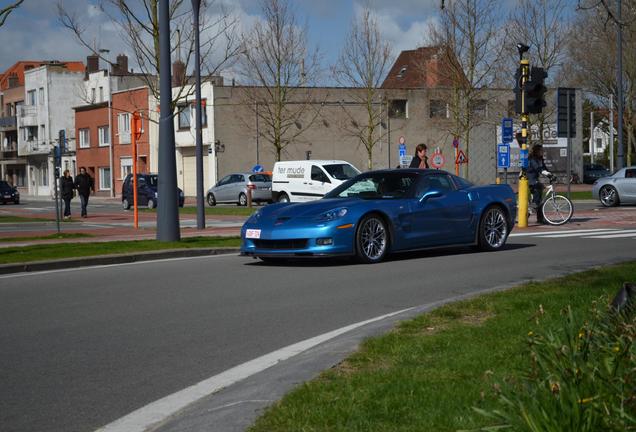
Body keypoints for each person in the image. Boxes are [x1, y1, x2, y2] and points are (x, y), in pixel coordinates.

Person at [527, 145, 553, 224]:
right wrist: (546, 173)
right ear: (536, 151)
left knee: (540, 200)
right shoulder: (532, 159)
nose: (543, 152)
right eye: (541, 150)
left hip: (535, 179)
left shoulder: (540, 159)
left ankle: (540, 219)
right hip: (529, 179)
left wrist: (551, 175)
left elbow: (544, 168)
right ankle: (526, 214)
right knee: (536, 200)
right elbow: (538, 169)